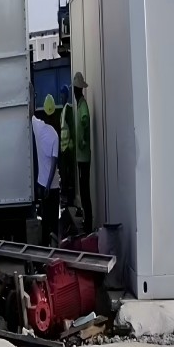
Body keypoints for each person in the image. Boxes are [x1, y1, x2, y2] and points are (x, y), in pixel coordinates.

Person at [32, 94, 60, 245]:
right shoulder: (55, 136)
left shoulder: (38, 127)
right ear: (54, 112)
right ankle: (55, 252)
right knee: (54, 223)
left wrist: (31, 91)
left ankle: (43, 252)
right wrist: (49, 185)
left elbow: (30, 113)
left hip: (41, 184)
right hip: (52, 186)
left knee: (44, 220)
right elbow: (54, 162)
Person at [73, 71, 92, 231]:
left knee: (85, 191)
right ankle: (87, 219)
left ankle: (89, 223)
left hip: (84, 157)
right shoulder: (79, 105)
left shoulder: (82, 105)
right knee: (84, 190)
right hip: (81, 157)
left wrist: (83, 139)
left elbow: (85, 119)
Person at [58, 84, 75, 206]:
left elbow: (72, 129)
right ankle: (66, 198)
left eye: (63, 95)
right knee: (64, 175)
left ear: (66, 96)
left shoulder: (68, 110)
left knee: (68, 176)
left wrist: (70, 145)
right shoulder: (62, 111)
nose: (61, 97)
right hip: (64, 148)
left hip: (68, 148)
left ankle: (70, 200)